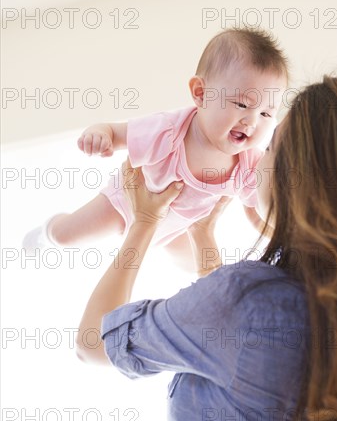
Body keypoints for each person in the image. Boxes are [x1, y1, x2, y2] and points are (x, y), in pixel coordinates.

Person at [76, 74, 337, 421]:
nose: (258, 154)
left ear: (300, 180)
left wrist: (144, 222)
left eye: (271, 144)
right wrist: (205, 241)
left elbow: (94, 342)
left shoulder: (249, 303)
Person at [22, 27, 288, 272]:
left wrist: (282, 233)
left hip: (182, 227)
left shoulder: (249, 164)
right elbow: (116, 133)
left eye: (266, 113)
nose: (252, 122)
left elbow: (259, 210)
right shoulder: (169, 131)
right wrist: (100, 135)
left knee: (198, 270)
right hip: (127, 204)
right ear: (201, 93)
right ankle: (49, 233)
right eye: (242, 105)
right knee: (69, 236)